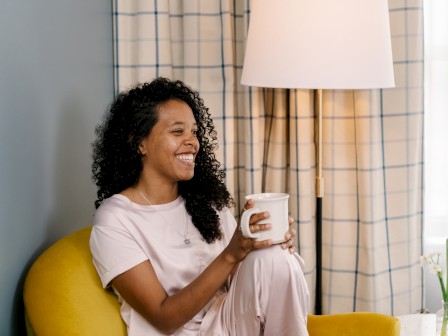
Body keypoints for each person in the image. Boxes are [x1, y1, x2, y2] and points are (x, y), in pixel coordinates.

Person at [90, 77, 310, 336]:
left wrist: (265, 247)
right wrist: (231, 253)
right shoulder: (116, 219)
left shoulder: (203, 201)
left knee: (274, 257)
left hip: (228, 321)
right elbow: (163, 318)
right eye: (177, 131)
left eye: (194, 131)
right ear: (140, 142)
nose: (192, 142)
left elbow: (239, 276)